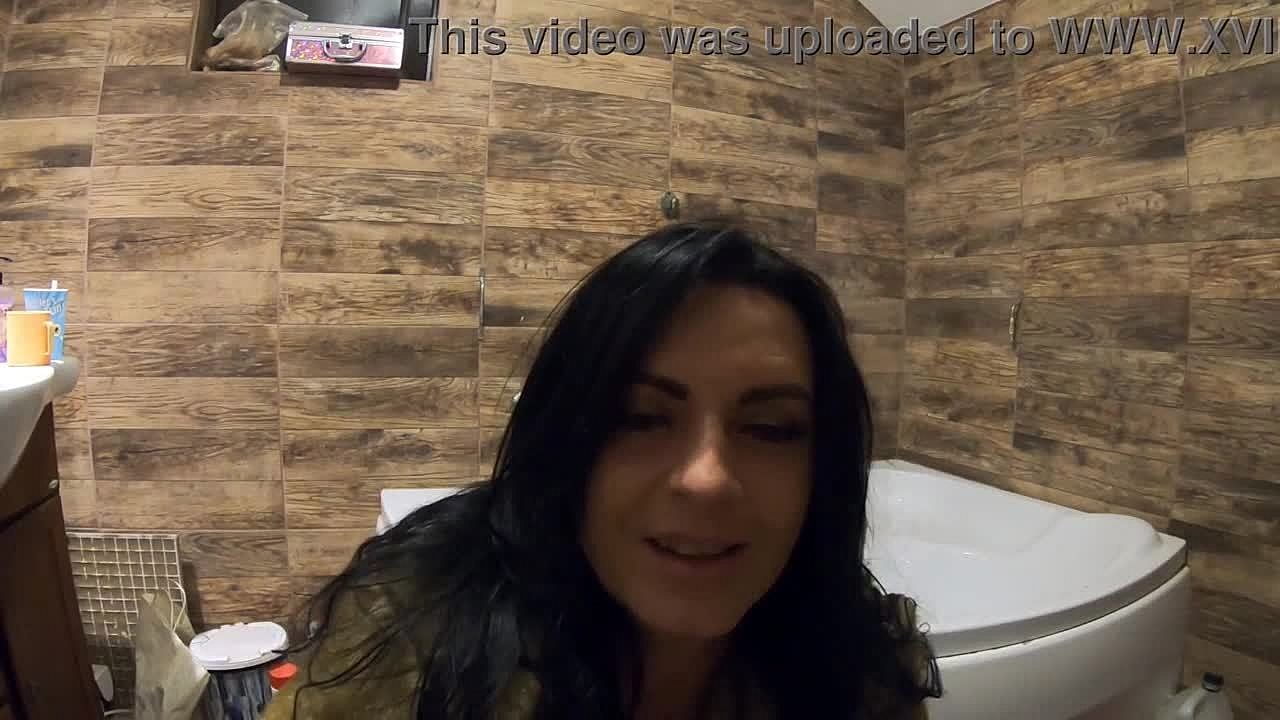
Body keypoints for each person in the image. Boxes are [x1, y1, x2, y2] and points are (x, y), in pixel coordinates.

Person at [264, 219, 943, 719]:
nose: (706, 478)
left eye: (770, 429)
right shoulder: (413, 642)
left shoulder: (861, 676)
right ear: (568, 444)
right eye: (639, 417)